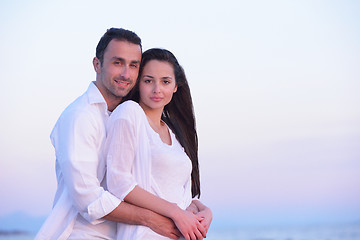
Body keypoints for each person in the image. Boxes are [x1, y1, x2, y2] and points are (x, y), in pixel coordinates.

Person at [35, 28, 183, 240]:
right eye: (117, 62)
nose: (126, 73)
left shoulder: (130, 116)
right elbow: (88, 199)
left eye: (133, 65)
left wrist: (196, 208)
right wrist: (152, 219)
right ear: (97, 64)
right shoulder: (80, 116)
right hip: (83, 234)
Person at [104, 48, 213, 240]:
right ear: (138, 83)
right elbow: (119, 183)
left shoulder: (175, 132)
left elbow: (174, 191)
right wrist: (176, 213)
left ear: (176, 86)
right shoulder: (129, 113)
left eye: (165, 82)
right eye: (148, 81)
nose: (157, 89)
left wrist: (202, 209)